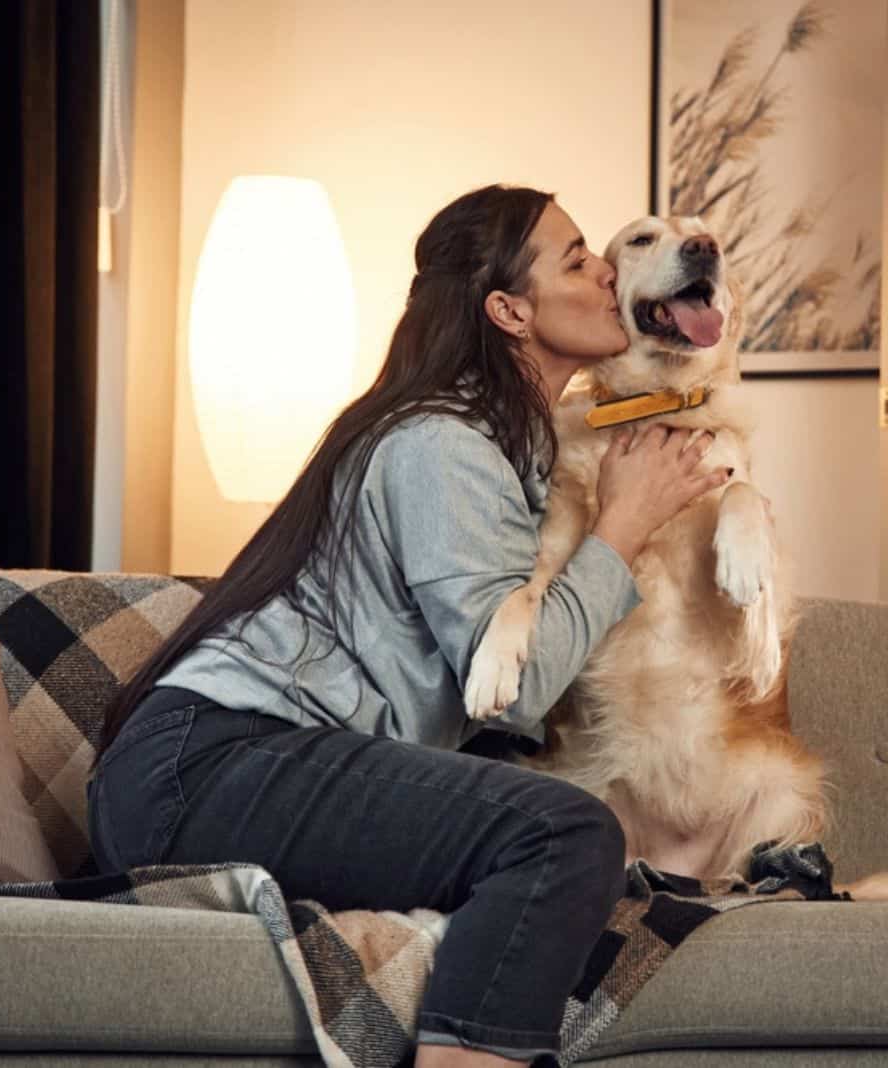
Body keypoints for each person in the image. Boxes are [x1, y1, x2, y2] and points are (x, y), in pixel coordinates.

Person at [86, 184, 728, 1068]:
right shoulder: (444, 443)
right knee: (567, 832)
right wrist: (622, 526)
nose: (608, 273)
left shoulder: (507, 446)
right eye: (578, 259)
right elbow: (515, 689)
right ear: (509, 310)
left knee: (559, 823)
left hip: (230, 768)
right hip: (208, 767)